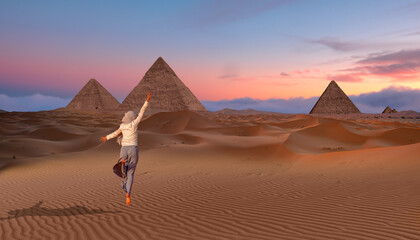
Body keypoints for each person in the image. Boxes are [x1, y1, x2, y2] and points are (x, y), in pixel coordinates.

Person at [100, 91, 150, 205]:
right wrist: (147, 101)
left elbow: (115, 134)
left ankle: (123, 166)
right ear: (133, 118)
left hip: (124, 149)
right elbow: (142, 112)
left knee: (123, 170)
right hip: (133, 149)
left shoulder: (122, 126)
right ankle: (128, 192)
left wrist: (106, 138)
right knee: (131, 172)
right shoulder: (134, 124)